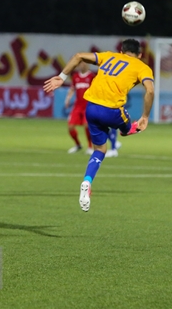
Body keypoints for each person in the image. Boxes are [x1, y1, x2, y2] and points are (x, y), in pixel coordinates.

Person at [44, 39, 154, 212]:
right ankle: (124, 133)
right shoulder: (142, 67)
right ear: (140, 55)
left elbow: (78, 56)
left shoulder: (109, 56)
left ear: (121, 51)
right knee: (128, 128)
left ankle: (87, 182)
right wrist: (145, 116)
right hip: (112, 111)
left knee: (100, 150)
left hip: (92, 109)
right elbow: (150, 90)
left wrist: (62, 77)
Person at [64, 61, 95, 155]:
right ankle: (78, 145)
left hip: (88, 105)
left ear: (87, 64)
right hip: (77, 105)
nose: (82, 65)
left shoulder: (91, 76)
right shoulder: (75, 76)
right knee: (70, 127)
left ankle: (90, 147)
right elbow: (72, 89)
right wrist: (67, 99)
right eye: (80, 64)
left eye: (84, 63)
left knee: (87, 125)